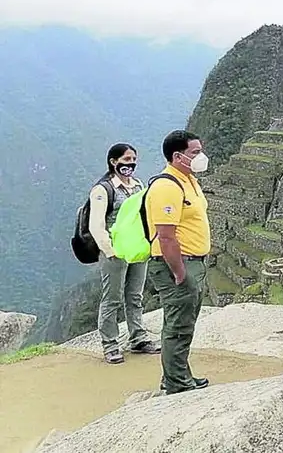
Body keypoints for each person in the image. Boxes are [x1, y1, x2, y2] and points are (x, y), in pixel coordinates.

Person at [145, 130, 212, 395]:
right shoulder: (166, 186)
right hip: (176, 263)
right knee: (177, 326)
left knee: (185, 323)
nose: (201, 157)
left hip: (194, 261)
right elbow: (166, 236)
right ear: (178, 156)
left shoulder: (188, 181)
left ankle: (179, 374)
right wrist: (180, 273)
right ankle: (176, 383)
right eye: (195, 152)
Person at [89, 143, 160, 364]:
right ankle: (110, 345)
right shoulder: (103, 190)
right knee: (112, 298)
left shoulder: (138, 186)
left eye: (133, 159)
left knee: (135, 295)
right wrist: (109, 251)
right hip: (115, 252)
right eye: (127, 159)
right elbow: (96, 225)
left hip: (137, 250)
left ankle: (138, 338)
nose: (130, 164)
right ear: (113, 161)